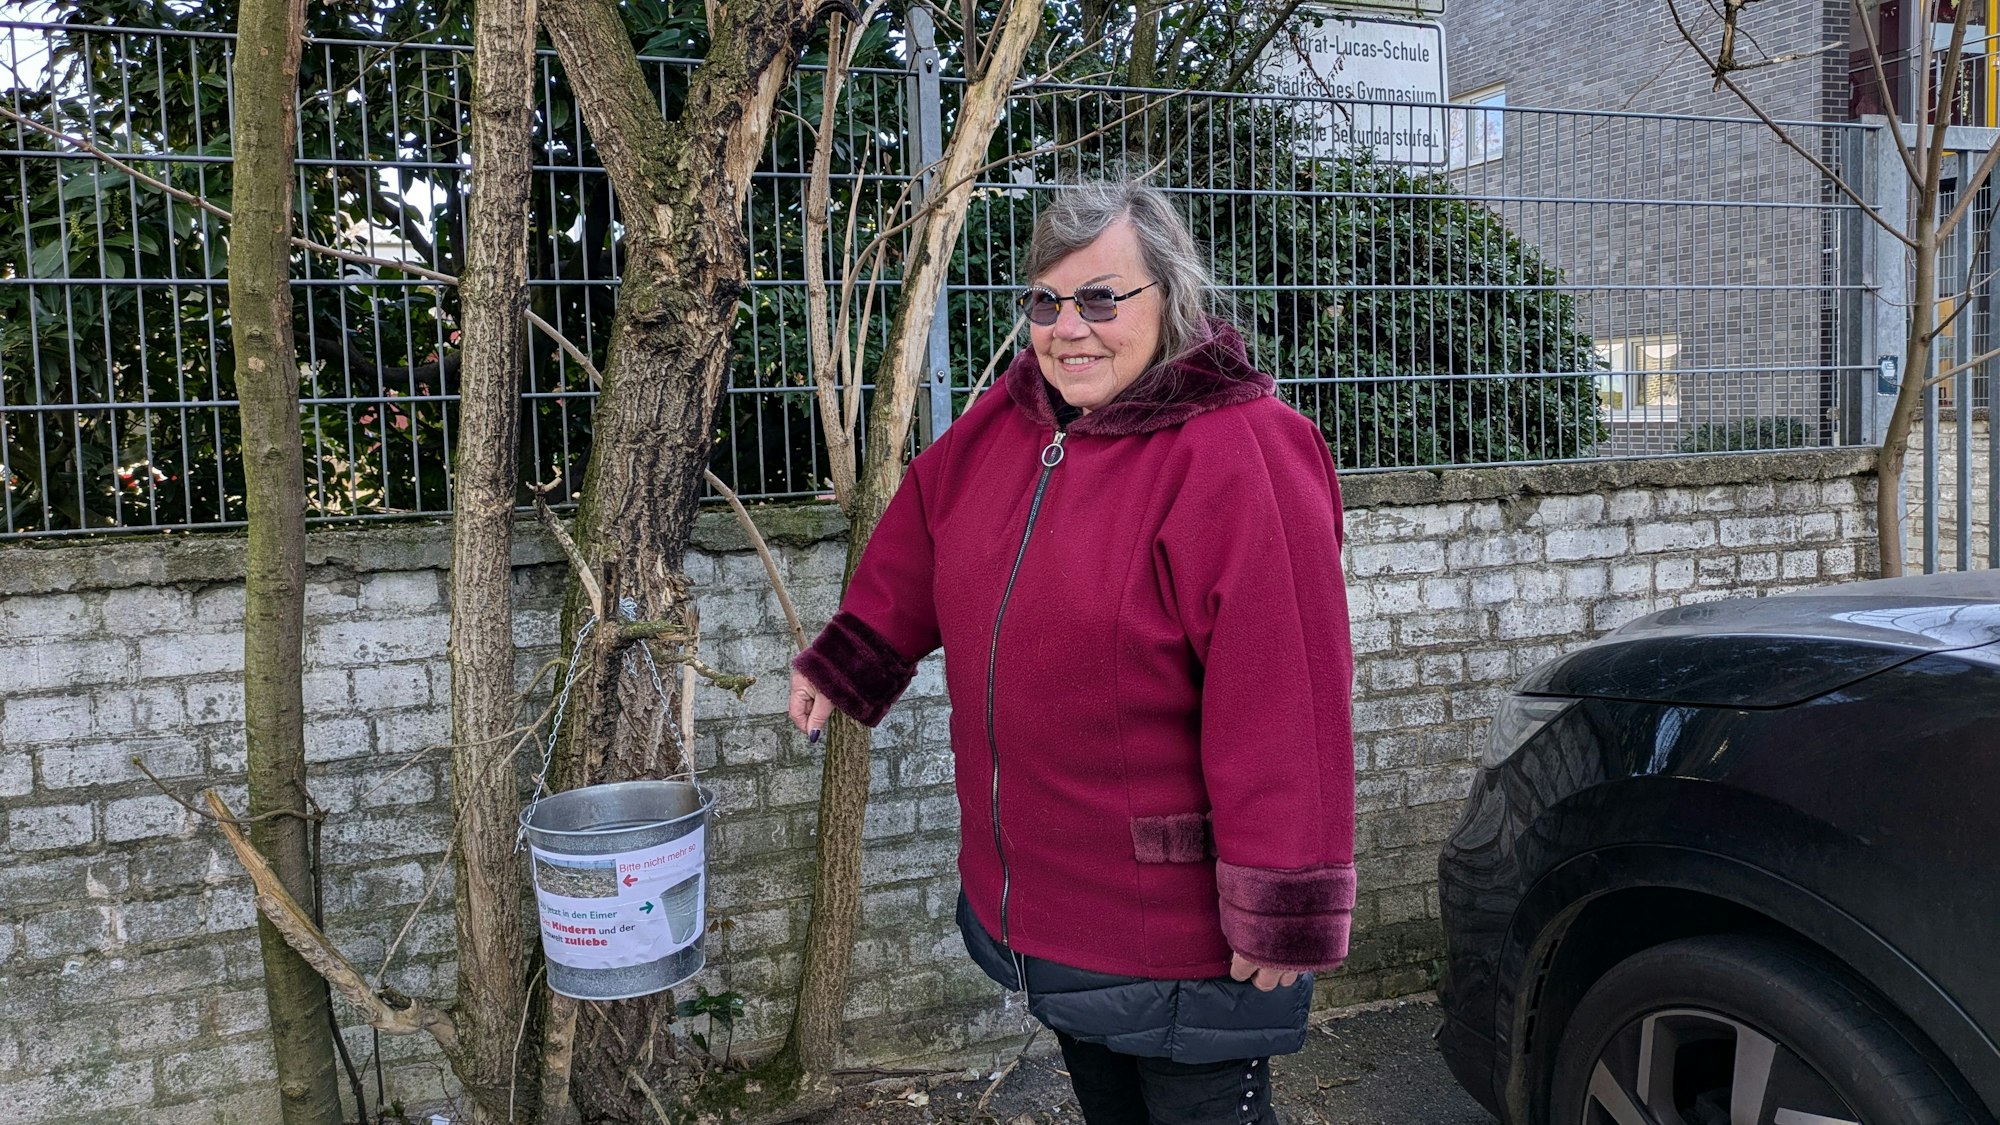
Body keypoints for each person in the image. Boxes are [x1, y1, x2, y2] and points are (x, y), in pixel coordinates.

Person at [787, 179, 1356, 1125]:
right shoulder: (1011, 426)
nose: (1068, 328)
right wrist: (849, 658)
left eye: (1101, 298)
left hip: (1182, 937)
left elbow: (1285, 696)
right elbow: (928, 534)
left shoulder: (1241, 451)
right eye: (1045, 302)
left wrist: (1281, 902)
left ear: (1168, 299)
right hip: (1054, 909)